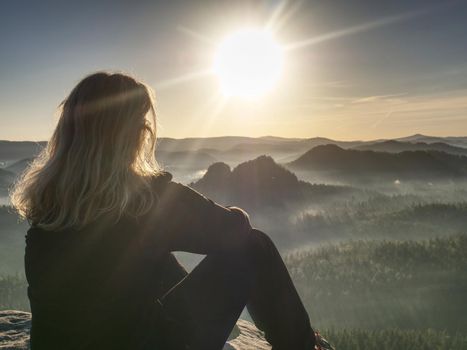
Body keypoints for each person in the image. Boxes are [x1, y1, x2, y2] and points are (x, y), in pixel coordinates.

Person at [11, 72, 319, 350]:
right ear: (129, 135)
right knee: (255, 246)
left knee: (148, 257)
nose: (145, 131)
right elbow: (235, 231)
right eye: (141, 123)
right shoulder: (147, 199)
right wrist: (235, 210)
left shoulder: (47, 202)